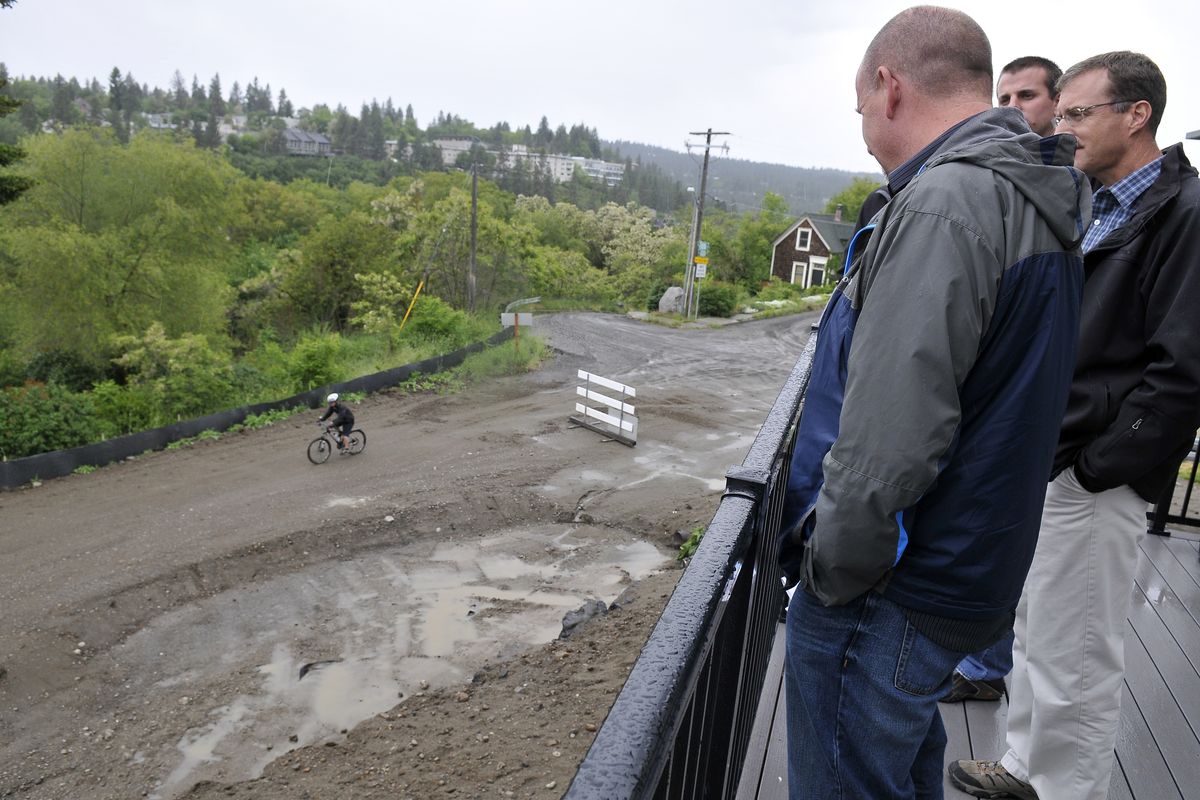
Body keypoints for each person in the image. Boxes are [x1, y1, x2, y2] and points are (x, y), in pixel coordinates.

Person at [776, 6, 1088, 797]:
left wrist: (830, 571)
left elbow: (890, 439)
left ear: (889, 88)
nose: (865, 134)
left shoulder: (945, 205)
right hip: (965, 565)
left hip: (891, 586)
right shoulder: (1027, 190)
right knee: (899, 768)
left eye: (859, 113)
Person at [950, 51, 1200, 800]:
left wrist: (1098, 466)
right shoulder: (1099, 201)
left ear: (1137, 114)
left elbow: (1183, 371)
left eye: (1076, 113)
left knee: (1081, 652)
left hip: (1095, 471)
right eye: (1060, 114)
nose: (1061, 127)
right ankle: (1025, 767)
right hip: (1059, 459)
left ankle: (1063, 789)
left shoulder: (1185, 214)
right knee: (1043, 632)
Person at [940, 53, 1065, 706]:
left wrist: (1118, 437)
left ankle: (988, 670)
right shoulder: (1001, 186)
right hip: (1003, 392)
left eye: (1027, 97)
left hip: (1057, 414)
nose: (1011, 109)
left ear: (1057, 102)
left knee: (1013, 541)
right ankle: (980, 663)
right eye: (1003, 96)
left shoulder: (1067, 188)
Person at [996, 56, 1062, 137]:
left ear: (1058, 102)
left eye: (1026, 96)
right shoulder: (984, 148)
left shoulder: (1077, 147)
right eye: (1005, 100)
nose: (1012, 106)